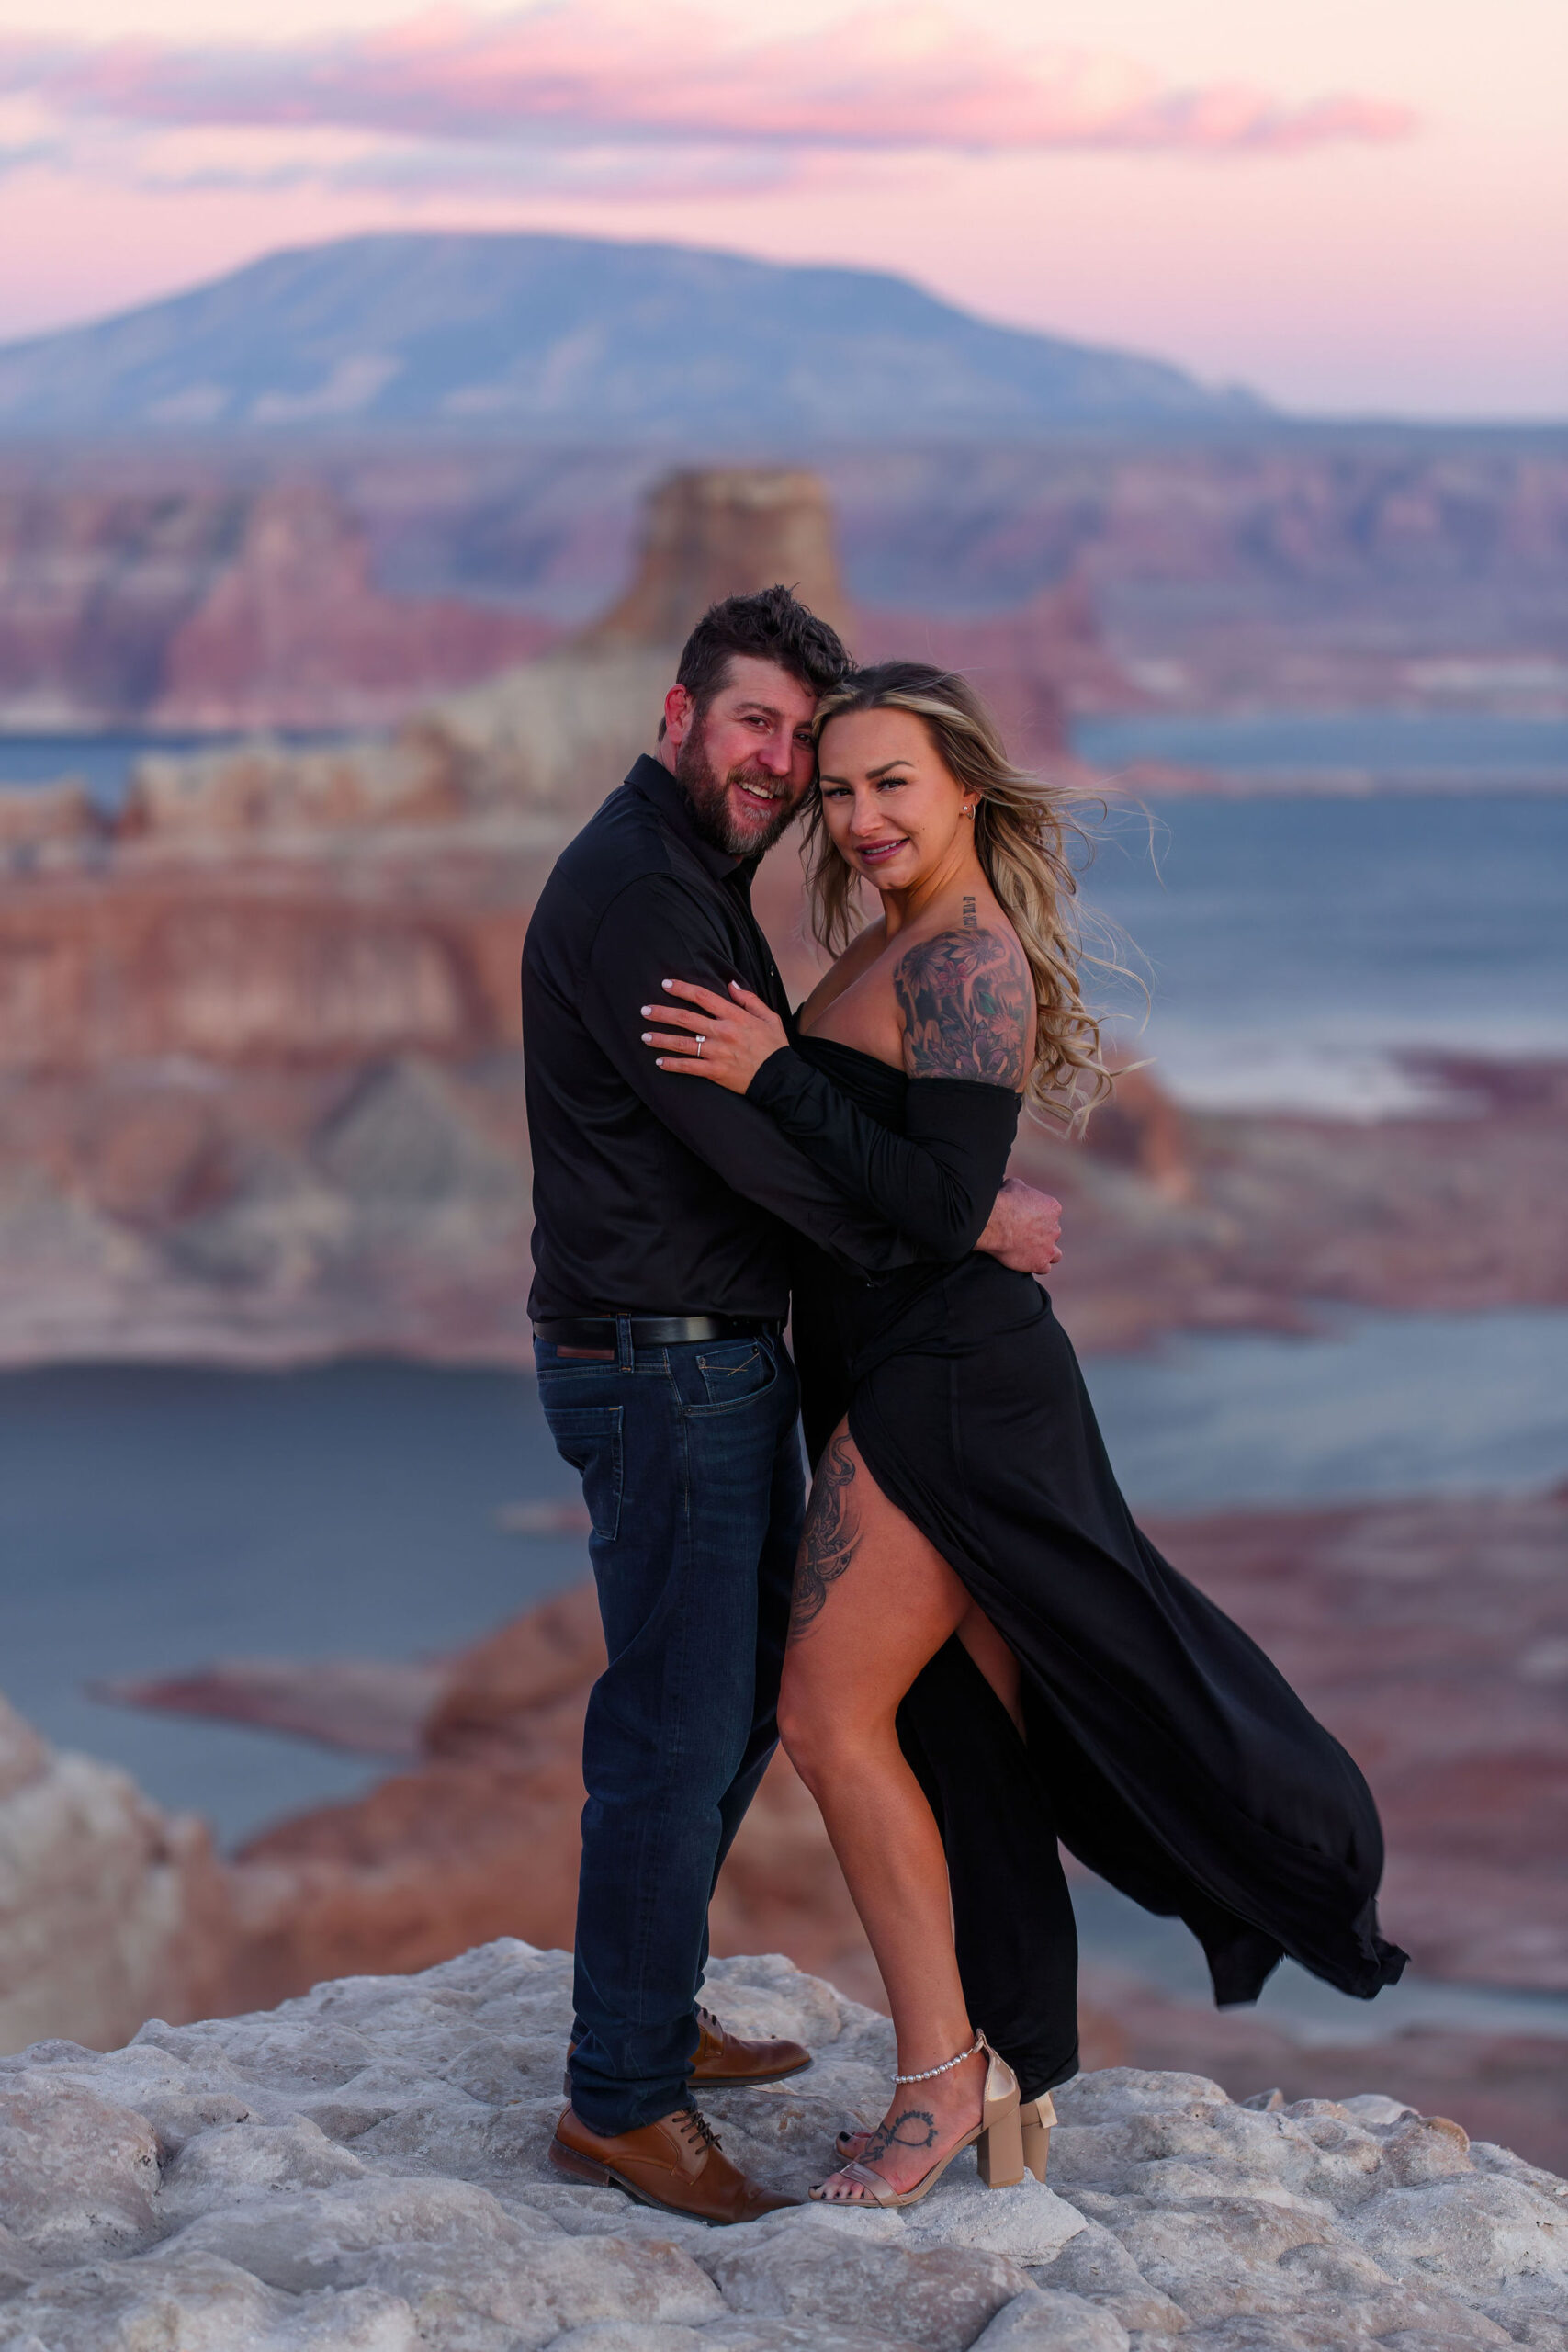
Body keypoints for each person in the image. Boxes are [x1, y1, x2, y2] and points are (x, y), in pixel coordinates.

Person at [641, 660, 1409, 2209]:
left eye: (891, 786)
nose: (856, 817)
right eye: (838, 788)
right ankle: (1015, 2066)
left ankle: (938, 2081)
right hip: (886, 1363)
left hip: (948, 1384)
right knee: (955, 1737)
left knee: (827, 1717)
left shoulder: (969, 961)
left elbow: (938, 1202)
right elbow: (938, 1191)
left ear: (968, 790)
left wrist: (775, 1073)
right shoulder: (900, 934)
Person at [522, 598, 1065, 2225]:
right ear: (677, 711)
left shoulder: (691, 872)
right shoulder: (640, 894)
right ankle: (620, 2101)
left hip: (705, 1352)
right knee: (682, 1731)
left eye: (808, 751)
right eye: (757, 730)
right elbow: (754, 1149)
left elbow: (793, 1104)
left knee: (736, 1707)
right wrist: (968, 1216)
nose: (785, 774)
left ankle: (647, 2006)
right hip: (666, 1360)